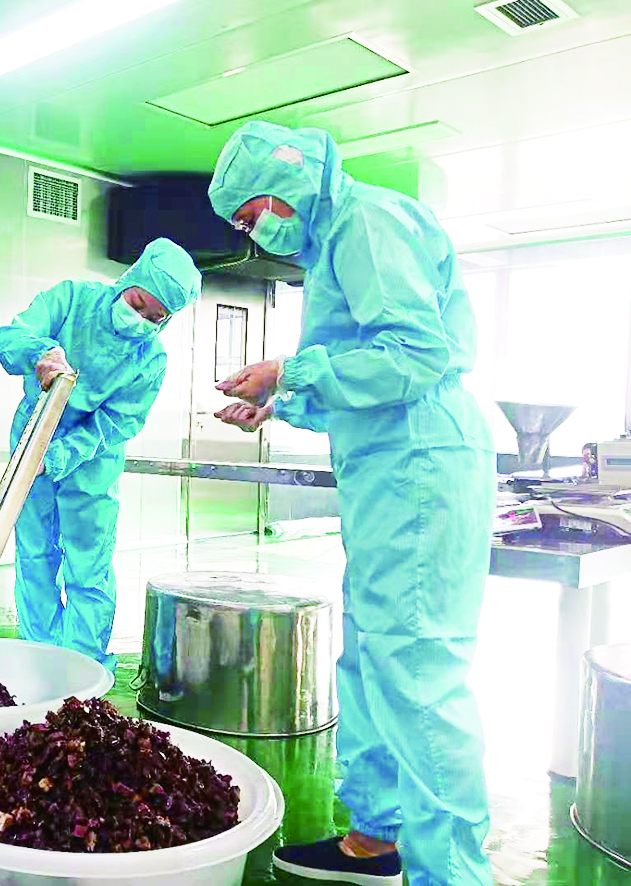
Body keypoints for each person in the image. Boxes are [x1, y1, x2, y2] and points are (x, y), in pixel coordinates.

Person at [208, 121, 494, 886]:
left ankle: (451, 874)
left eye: (250, 216)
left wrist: (289, 370)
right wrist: (281, 398)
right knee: (372, 657)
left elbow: (413, 356)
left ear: (286, 182)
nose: (254, 233)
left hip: (419, 465)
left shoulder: (365, 220)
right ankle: (376, 838)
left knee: (416, 671)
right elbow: (361, 374)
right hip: (390, 472)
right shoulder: (335, 239)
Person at [0, 239, 201, 673]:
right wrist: (40, 352)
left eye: (155, 318)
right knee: (35, 557)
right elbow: (9, 337)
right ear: (129, 280)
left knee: (89, 565)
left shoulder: (151, 359)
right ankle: (40, 662)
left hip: (94, 459)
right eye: (137, 304)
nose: (140, 320)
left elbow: (119, 421)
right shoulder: (71, 300)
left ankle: (83, 670)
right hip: (34, 438)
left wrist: (63, 453)